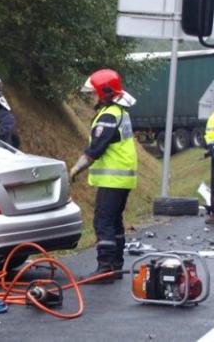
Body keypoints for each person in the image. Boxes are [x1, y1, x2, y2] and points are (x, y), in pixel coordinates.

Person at [69, 69, 137, 283]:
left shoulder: (108, 115)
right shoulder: (119, 112)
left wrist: (75, 169)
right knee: (115, 222)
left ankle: (105, 267)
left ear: (105, 92)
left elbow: (95, 149)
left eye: (93, 93)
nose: (91, 97)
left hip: (113, 178)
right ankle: (115, 266)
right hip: (122, 177)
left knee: (103, 221)